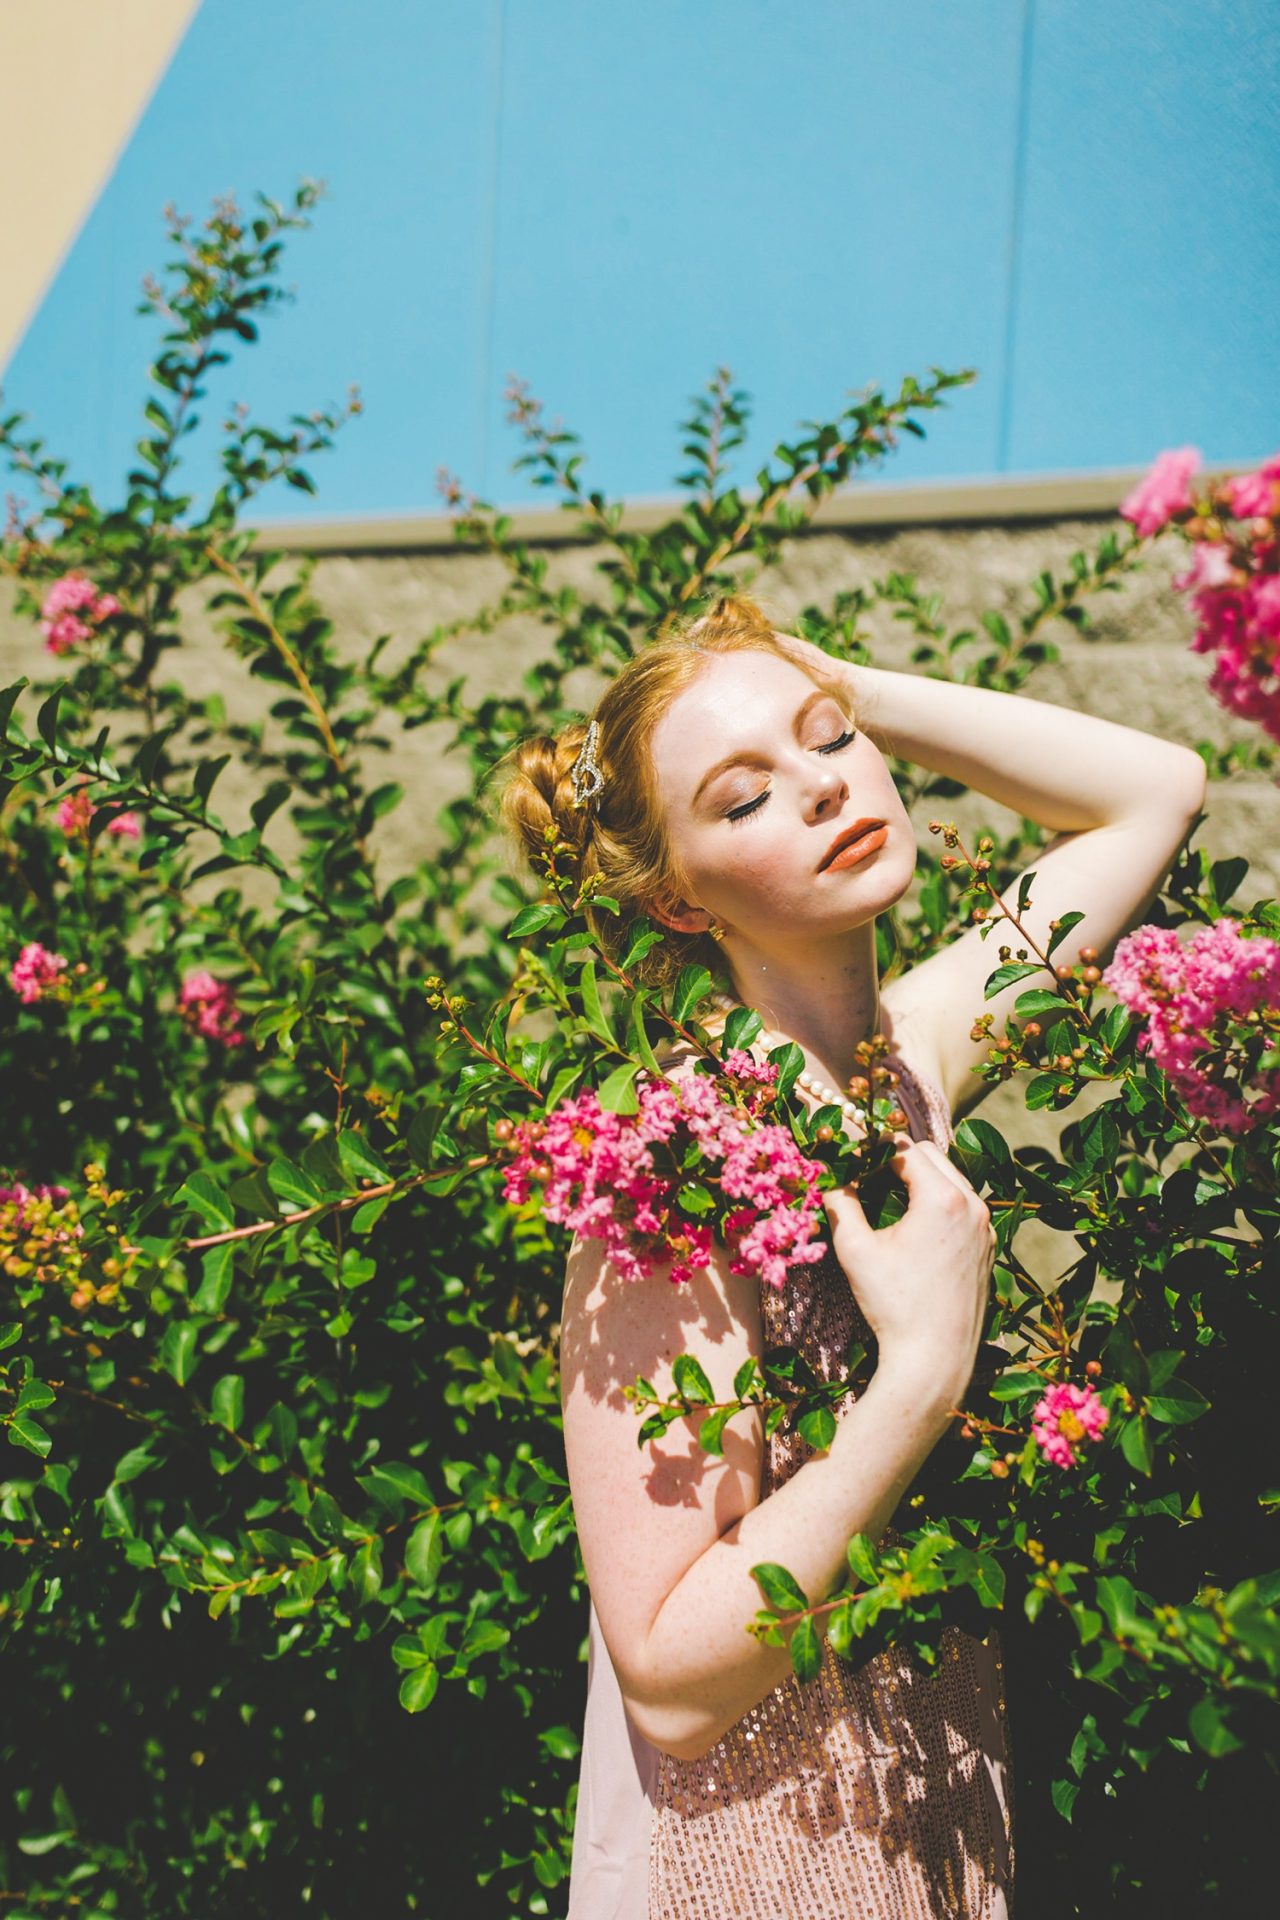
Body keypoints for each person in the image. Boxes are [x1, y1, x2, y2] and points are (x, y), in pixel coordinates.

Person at [500, 595, 1206, 1919]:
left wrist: (839, 683)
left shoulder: (912, 1056)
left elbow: (1155, 791)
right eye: (746, 796)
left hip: (928, 1818)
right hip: (752, 1863)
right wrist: (919, 1379)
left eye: (829, 743)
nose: (825, 789)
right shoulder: (681, 1168)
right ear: (674, 895)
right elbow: (663, 1673)